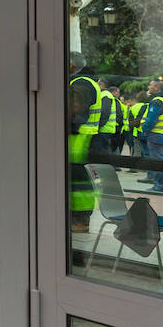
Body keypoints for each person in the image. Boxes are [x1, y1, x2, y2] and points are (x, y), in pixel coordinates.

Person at [67, 53, 107, 230]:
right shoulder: (88, 82)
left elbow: (76, 111)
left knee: (79, 183)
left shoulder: (80, 83)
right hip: (83, 137)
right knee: (79, 182)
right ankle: (79, 219)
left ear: (70, 64)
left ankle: (80, 220)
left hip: (80, 138)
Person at [137, 77, 163, 194]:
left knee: (158, 162)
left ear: (156, 88)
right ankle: (161, 184)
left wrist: (144, 131)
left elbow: (150, 121)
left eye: (150, 85)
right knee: (162, 160)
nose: (148, 87)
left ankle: (160, 186)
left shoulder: (157, 101)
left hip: (156, 136)